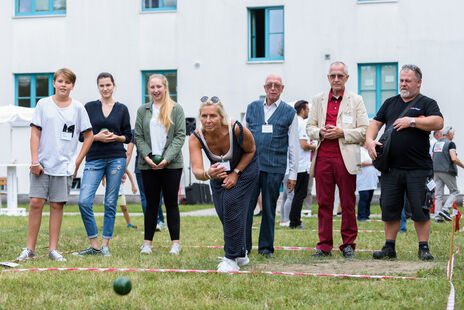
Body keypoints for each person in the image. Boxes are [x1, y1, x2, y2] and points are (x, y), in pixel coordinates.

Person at [366, 64, 443, 261]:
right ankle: (389, 247)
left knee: (420, 208)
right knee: (389, 208)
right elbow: (375, 123)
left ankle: (423, 247)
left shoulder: (427, 103)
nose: (403, 84)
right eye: (401, 80)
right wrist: (369, 141)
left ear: (419, 82)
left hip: (419, 168)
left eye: (408, 81)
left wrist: (412, 121)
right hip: (391, 167)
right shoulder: (390, 102)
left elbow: (438, 122)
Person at [17, 68, 93, 262]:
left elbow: (89, 136)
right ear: (54, 83)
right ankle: (29, 249)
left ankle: (53, 250)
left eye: (67, 82)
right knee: (35, 203)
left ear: (72, 86)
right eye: (60, 81)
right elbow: (35, 133)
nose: (63, 85)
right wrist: (34, 161)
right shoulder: (43, 104)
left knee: (57, 206)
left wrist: (77, 161)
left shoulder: (78, 108)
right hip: (42, 164)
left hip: (64, 166)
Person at [307, 61, 369, 258]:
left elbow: (364, 131)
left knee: (348, 202)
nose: (336, 79)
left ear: (346, 78)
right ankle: (324, 246)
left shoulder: (356, 100)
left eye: (340, 76)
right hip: (323, 157)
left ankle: (348, 244)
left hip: (346, 159)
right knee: (324, 203)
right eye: (332, 76)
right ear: (328, 78)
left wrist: (342, 132)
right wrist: (321, 132)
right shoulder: (318, 100)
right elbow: (309, 128)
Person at [189, 96, 258, 272]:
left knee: (231, 203)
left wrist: (236, 173)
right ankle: (241, 254)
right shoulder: (196, 137)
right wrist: (207, 174)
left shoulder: (236, 129)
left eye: (213, 116)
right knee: (223, 212)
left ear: (221, 117)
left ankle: (231, 258)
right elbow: (197, 171)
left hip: (245, 168)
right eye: (204, 116)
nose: (208, 120)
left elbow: (251, 151)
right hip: (217, 174)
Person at [76, 72, 132, 257]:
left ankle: (105, 245)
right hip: (94, 158)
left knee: (110, 202)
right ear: (98, 87)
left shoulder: (122, 109)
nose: (105, 88)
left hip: (117, 157)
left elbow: (128, 136)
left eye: (108, 85)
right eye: (102, 85)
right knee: (84, 200)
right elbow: (80, 135)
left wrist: (116, 137)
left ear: (114, 85)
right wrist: (96, 137)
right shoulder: (89, 107)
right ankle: (94, 245)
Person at [245, 74, 299, 258]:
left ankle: (266, 248)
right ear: (264, 87)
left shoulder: (289, 112)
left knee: (268, 208)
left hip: (275, 168)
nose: (273, 88)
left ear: (282, 88)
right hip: (251, 168)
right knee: (247, 207)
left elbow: (293, 145)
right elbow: (243, 140)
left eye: (277, 85)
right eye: (269, 85)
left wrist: (293, 173)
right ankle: (244, 246)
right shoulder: (252, 108)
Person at [135, 73, 186, 255]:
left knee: (171, 202)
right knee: (151, 204)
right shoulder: (143, 110)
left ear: (165, 87)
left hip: (171, 165)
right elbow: (138, 136)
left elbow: (180, 136)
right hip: (148, 164)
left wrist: (166, 159)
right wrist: (148, 156)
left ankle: (175, 244)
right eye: (152, 87)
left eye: (159, 87)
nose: (156, 90)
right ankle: (147, 244)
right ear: (149, 89)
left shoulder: (176, 109)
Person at [127, 130, 166, 230]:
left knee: (145, 197)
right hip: (157, 165)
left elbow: (128, 153)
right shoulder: (156, 128)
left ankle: (154, 223)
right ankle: (158, 222)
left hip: (141, 168)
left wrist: (123, 169)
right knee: (157, 196)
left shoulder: (135, 132)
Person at [289, 100, 314, 229]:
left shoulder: (293, 122)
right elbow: (304, 145)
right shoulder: (302, 124)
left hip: (294, 164)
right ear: (302, 110)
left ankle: (294, 220)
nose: (308, 111)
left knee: (296, 194)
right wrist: (315, 147)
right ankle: (295, 222)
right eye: (307, 109)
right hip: (301, 165)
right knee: (300, 194)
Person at [432, 126, 464, 222]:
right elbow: (453, 158)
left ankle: (438, 217)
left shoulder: (436, 144)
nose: (453, 136)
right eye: (453, 135)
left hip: (436, 171)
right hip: (447, 170)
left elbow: (432, 157)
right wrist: (463, 166)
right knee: (455, 191)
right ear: (449, 134)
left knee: (438, 195)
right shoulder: (450, 144)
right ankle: (445, 210)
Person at [356, 144, 379, 222]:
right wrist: (373, 163)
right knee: (364, 197)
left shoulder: (371, 151)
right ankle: (361, 216)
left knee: (369, 198)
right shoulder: (360, 150)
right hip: (363, 179)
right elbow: (361, 162)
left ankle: (366, 215)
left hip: (371, 180)